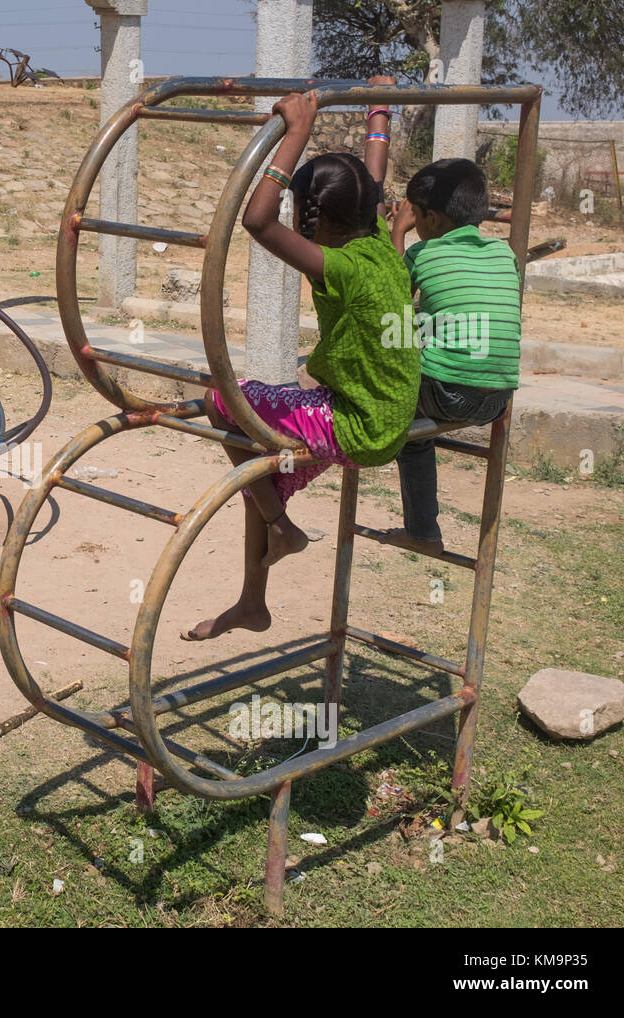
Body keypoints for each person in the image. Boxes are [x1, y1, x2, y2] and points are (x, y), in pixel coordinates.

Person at [182, 89, 419, 641]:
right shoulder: (383, 245)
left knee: (227, 399)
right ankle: (251, 601)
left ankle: (281, 527)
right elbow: (372, 179)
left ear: (313, 218)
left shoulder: (339, 267)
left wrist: (296, 135)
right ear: (371, 210)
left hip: (353, 423)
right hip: (386, 417)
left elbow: (259, 222)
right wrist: (378, 117)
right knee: (260, 469)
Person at [383, 157, 522, 554]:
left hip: (446, 391)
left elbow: (390, 297)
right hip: (498, 398)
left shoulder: (423, 254)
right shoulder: (503, 254)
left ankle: (423, 532)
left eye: (415, 215)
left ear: (432, 218)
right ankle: (424, 530)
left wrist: (397, 232)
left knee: (410, 427)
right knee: (427, 336)